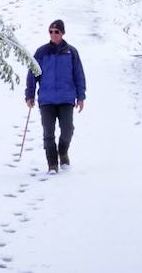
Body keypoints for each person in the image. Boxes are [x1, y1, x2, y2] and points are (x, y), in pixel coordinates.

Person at [24, 19, 87, 173]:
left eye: (56, 31)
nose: (53, 34)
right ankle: (52, 164)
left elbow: (79, 74)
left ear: (62, 33)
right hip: (47, 100)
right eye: (51, 31)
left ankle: (63, 151)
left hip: (66, 98)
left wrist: (81, 96)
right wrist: (29, 94)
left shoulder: (71, 52)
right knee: (48, 133)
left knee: (67, 130)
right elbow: (32, 74)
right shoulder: (41, 52)